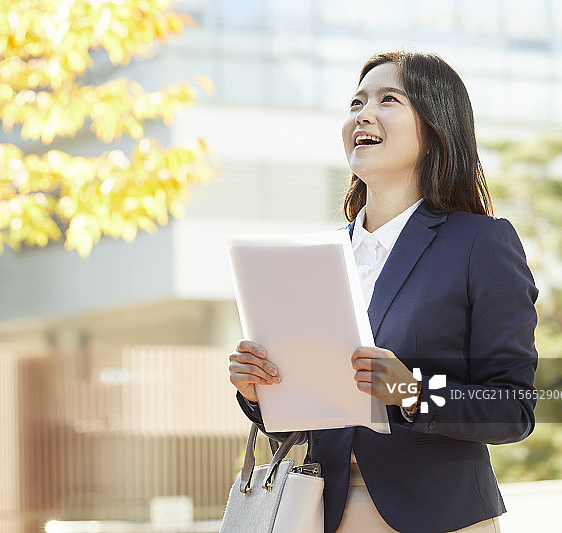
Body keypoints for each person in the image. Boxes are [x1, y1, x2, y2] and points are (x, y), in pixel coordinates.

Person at [228, 50, 538, 533]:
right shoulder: (317, 259)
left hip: (441, 517)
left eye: (388, 99)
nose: (363, 114)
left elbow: (513, 409)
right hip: (324, 511)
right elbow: (310, 418)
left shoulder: (480, 243)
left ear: (435, 128)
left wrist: (412, 392)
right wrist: (259, 392)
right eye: (356, 102)